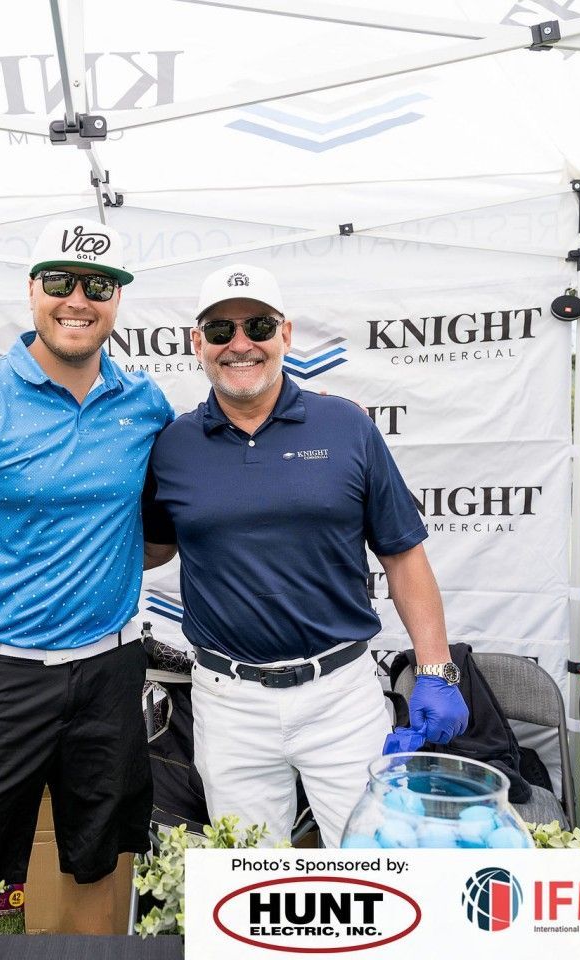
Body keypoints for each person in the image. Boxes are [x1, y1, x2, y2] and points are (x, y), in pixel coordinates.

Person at [0, 218, 175, 931]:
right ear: (32, 292)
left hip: (111, 671)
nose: (77, 299)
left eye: (99, 285)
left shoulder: (145, 405)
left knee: (98, 860)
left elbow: (153, 537)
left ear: (118, 300)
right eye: (59, 282)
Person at [142, 263, 468, 847]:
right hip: (228, 701)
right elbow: (151, 549)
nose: (240, 344)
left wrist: (437, 669)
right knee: (251, 877)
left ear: (285, 334)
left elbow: (403, 556)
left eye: (258, 325)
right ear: (198, 344)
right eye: (220, 331)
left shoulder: (345, 425)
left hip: (341, 697)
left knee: (372, 869)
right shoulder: (173, 445)